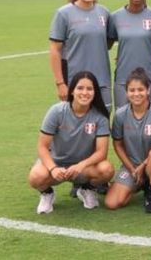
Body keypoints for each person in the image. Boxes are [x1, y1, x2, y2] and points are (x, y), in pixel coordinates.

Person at [29, 71, 114, 214]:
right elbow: (42, 146)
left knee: (107, 170)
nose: (85, 92)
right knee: (36, 177)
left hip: (82, 167)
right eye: (80, 88)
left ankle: (87, 189)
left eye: (89, 89)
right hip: (56, 164)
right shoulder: (56, 111)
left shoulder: (100, 117)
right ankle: (47, 193)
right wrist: (53, 168)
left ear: (95, 93)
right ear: (72, 91)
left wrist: (80, 166)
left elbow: (101, 152)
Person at [104, 68, 151, 213]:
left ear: (148, 90)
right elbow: (118, 144)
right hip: (131, 167)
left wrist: (142, 167)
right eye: (132, 90)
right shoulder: (120, 115)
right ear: (126, 93)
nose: (136, 94)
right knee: (112, 203)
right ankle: (138, 184)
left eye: (140, 89)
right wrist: (133, 169)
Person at [49, 0, 112, 109]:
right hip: (74, 81)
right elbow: (55, 50)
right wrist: (60, 83)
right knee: (76, 123)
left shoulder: (104, 13)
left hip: (102, 80)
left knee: (103, 121)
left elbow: (108, 41)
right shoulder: (63, 14)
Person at [108, 0, 151, 108]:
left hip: (150, 76)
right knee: (122, 116)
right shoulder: (115, 17)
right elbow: (107, 43)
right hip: (123, 76)